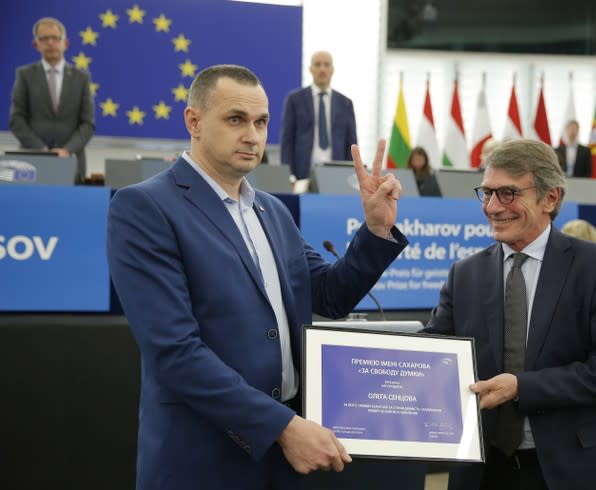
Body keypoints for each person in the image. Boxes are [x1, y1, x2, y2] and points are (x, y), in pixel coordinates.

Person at [106, 64, 407, 490]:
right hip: (202, 457)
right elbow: (175, 353)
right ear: (193, 121)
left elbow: (329, 295)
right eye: (236, 120)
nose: (253, 135)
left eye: (261, 122)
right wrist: (283, 427)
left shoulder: (273, 210)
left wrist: (375, 230)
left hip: (283, 460)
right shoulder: (144, 208)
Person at [423, 139, 596, 490]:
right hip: (486, 472)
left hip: (575, 469)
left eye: (508, 193)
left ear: (550, 198)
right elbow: (433, 355)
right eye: (487, 193)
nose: (493, 206)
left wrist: (522, 387)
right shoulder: (465, 274)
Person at [9, 17, 95, 184]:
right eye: (44, 38)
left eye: (55, 38)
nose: (50, 43)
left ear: (66, 43)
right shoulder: (25, 75)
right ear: (36, 44)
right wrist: (42, 151)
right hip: (32, 164)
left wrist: (67, 151)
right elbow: (17, 120)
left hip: (71, 162)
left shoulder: (81, 77)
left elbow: (87, 124)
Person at [280, 51, 357, 182]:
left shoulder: (345, 103)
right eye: (317, 64)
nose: (322, 69)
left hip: (337, 173)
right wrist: (288, 174)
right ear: (310, 69)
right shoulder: (295, 100)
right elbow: (287, 140)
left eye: (326, 65)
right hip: (302, 173)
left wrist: (350, 174)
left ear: (332, 70)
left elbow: (351, 143)